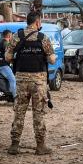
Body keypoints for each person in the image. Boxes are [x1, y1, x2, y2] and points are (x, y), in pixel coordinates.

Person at [5, 11, 56, 155]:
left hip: (21, 81)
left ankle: (14, 145)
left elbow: (7, 57)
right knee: (38, 113)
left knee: (19, 112)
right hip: (38, 82)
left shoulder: (17, 36)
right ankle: (40, 146)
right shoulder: (43, 38)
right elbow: (52, 60)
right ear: (38, 22)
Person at [0, 30, 17, 101]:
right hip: (3, 65)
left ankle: (9, 95)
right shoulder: (5, 42)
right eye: (11, 36)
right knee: (13, 80)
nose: (12, 37)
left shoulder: (2, 42)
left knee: (9, 80)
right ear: (9, 36)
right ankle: (14, 97)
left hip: (1, 64)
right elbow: (10, 51)